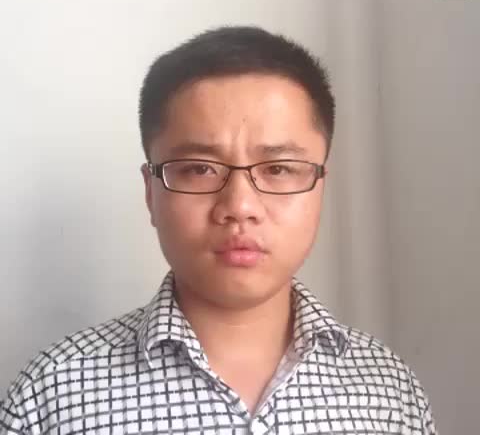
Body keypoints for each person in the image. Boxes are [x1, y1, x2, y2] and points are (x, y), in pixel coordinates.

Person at [0, 26, 437, 434]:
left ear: (320, 186)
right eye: (199, 169)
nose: (240, 207)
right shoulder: (50, 397)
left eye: (278, 168)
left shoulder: (390, 391)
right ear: (151, 192)